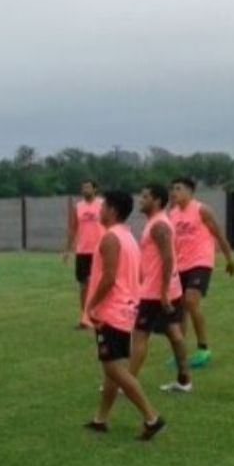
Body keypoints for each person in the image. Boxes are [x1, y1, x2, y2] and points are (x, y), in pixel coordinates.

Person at [83, 190, 165, 440]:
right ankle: (101, 419)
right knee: (112, 368)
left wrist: (91, 306)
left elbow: (108, 278)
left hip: (111, 311)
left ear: (113, 210)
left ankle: (152, 418)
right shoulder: (128, 236)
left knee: (115, 369)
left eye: (104, 206)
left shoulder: (110, 238)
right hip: (126, 308)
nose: (99, 210)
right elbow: (136, 274)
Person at [168, 177, 234, 368]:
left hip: (201, 262)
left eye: (178, 188)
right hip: (179, 265)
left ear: (190, 192)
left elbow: (219, 234)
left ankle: (203, 349)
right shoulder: (172, 214)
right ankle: (180, 354)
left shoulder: (201, 210)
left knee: (191, 301)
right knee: (180, 308)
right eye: (172, 189)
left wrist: (229, 259)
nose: (174, 192)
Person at [129, 185, 192, 393]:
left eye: (145, 196)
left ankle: (127, 383)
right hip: (163, 288)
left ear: (156, 201)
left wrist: (163, 292)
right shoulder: (156, 223)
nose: (140, 199)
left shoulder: (159, 226)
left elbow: (167, 258)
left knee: (139, 335)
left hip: (156, 292)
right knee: (174, 333)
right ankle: (184, 381)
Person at [64, 180, 106, 329]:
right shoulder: (78, 207)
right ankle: (85, 318)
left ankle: (101, 316)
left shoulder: (103, 204)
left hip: (100, 251)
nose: (84, 189)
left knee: (101, 284)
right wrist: (67, 250)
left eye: (88, 187)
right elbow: (73, 229)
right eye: (83, 187)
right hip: (83, 251)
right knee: (84, 286)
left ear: (95, 189)